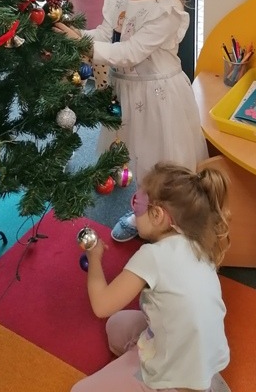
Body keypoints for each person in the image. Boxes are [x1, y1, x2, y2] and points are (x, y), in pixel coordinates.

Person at [54, 0, 209, 241]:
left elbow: (130, 52)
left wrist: (81, 44)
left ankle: (171, 226)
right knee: (136, 159)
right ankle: (142, 215)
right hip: (126, 92)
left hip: (158, 97)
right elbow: (107, 35)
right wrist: (76, 34)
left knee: (162, 165)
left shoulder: (167, 8)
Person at [72, 161, 231, 392]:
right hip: (202, 358)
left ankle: (168, 384)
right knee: (116, 326)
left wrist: (94, 257)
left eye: (136, 204)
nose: (133, 211)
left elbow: (101, 305)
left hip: (172, 377)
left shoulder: (152, 256)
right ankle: (202, 381)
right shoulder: (199, 245)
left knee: (80, 391)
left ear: (157, 215)